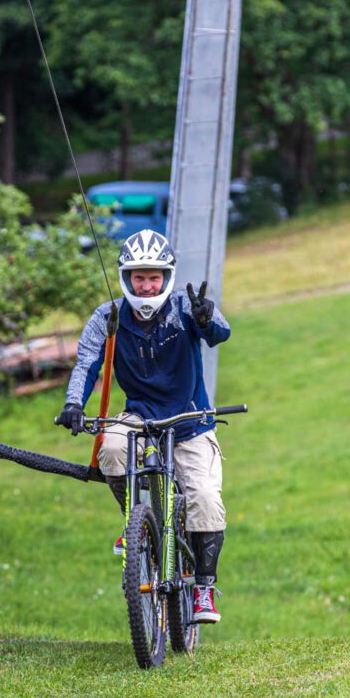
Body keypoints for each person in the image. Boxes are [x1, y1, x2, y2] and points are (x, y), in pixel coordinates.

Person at [57, 228, 231, 623]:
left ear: (167, 276)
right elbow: (86, 363)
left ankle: (204, 589)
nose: (147, 286)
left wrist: (206, 318)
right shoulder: (108, 316)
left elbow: (220, 333)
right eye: (140, 277)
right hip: (138, 415)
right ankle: (136, 524)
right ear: (126, 277)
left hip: (189, 420)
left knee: (205, 497)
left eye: (154, 277)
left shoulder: (187, 307)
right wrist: (73, 404)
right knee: (112, 448)